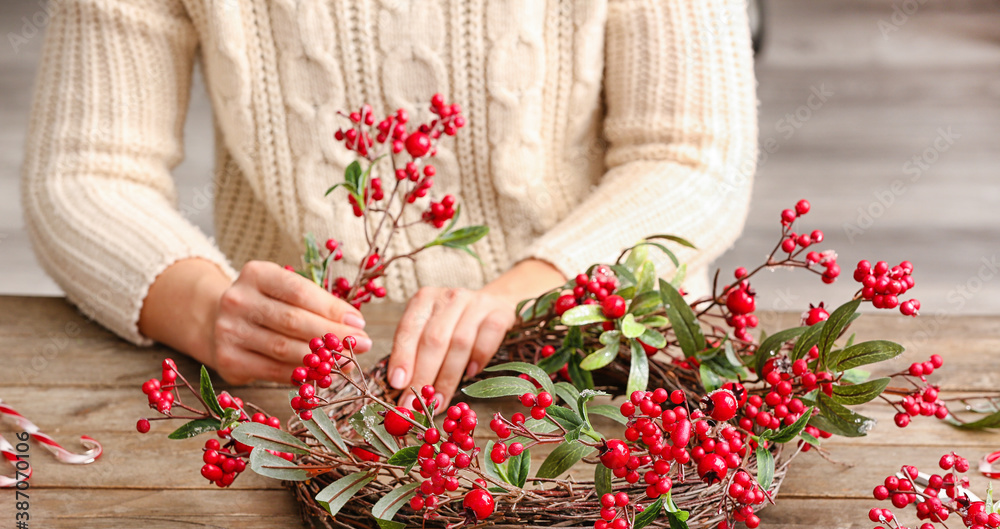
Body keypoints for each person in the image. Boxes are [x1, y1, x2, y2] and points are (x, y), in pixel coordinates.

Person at [22, 0, 757, 407]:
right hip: (305, 398)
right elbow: (85, 172)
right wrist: (205, 309)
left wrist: (514, 298)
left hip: (603, 375)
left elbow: (690, 158)